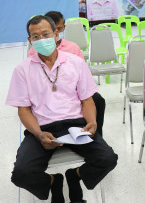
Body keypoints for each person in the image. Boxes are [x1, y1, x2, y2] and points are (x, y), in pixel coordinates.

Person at [6, 15, 118, 203]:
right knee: (21, 173)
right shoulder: (22, 70)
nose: (41, 40)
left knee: (108, 158)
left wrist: (91, 122)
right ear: (29, 41)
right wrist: (38, 133)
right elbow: (23, 110)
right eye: (35, 37)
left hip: (76, 126)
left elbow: (87, 100)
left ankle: (76, 175)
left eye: (45, 34)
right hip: (42, 129)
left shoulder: (75, 63)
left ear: (56, 33)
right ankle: (52, 181)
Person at [28, 11, 106, 136]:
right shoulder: (35, 51)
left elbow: (82, 74)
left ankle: (95, 132)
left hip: (72, 89)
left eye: (60, 28)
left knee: (97, 99)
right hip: (47, 90)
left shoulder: (73, 47)